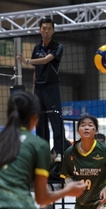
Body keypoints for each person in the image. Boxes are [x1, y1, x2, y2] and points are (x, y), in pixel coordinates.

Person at [17, 17, 65, 162]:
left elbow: (45, 60)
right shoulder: (37, 47)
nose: (46, 31)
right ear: (39, 30)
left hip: (51, 86)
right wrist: (34, 88)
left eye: (49, 29)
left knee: (55, 119)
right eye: (44, 28)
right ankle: (43, 153)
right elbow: (36, 69)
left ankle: (60, 152)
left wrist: (26, 61)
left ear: (53, 31)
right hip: (39, 88)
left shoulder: (58, 46)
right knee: (40, 121)